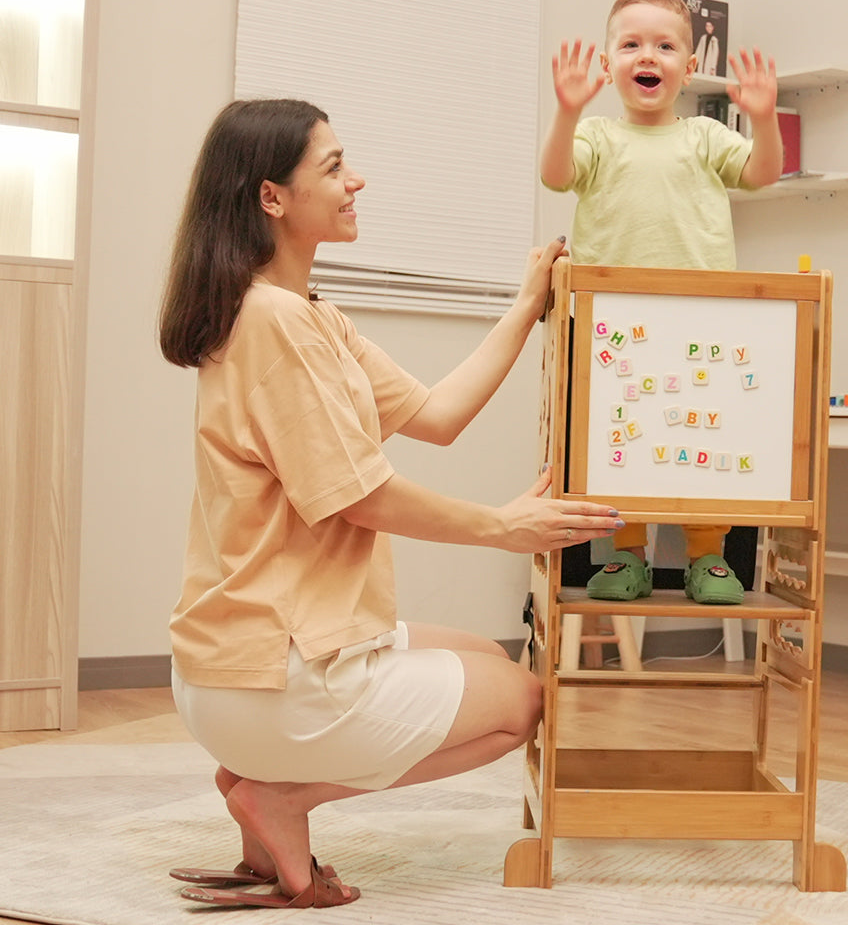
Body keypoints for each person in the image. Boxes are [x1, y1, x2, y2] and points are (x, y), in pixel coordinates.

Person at [158, 98, 624, 909]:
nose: (356, 180)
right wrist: (502, 527)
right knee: (521, 704)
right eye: (334, 167)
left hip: (241, 664)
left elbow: (438, 416)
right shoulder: (276, 325)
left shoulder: (306, 317)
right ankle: (282, 798)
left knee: (486, 656)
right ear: (272, 197)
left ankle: (260, 793)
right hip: (274, 679)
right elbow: (358, 498)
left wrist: (525, 306)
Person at [540, 0, 782, 606]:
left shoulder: (703, 136)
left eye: (665, 45)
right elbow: (556, 175)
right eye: (631, 44)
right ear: (607, 62)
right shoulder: (597, 135)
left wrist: (761, 117)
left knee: (706, 437)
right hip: (611, 324)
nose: (647, 55)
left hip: (700, 321)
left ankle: (710, 556)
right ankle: (626, 555)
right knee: (619, 439)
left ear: (689, 65)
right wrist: (566, 111)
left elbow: (761, 175)